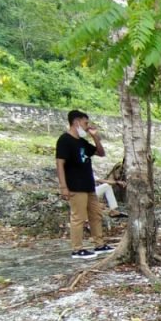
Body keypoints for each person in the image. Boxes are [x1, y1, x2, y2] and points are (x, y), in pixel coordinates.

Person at [56, 110, 111, 259]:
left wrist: (95, 137)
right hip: (75, 185)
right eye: (85, 123)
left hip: (88, 184)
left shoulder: (82, 142)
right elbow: (60, 164)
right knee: (78, 217)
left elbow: (101, 153)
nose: (87, 127)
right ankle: (77, 249)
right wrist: (63, 187)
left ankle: (99, 244)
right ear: (76, 122)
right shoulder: (64, 140)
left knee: (96, 214)